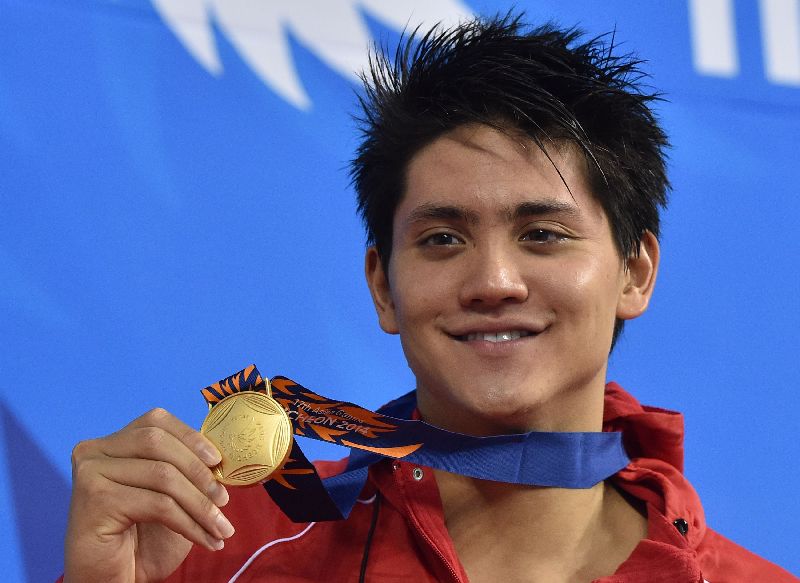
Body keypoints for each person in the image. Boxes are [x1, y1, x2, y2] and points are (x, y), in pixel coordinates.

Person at [61, 13, 797, 583]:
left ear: (635, 271)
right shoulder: (225, 541)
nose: (493, 282)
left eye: (542, 233)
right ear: (383, 284)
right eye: (443, 239)